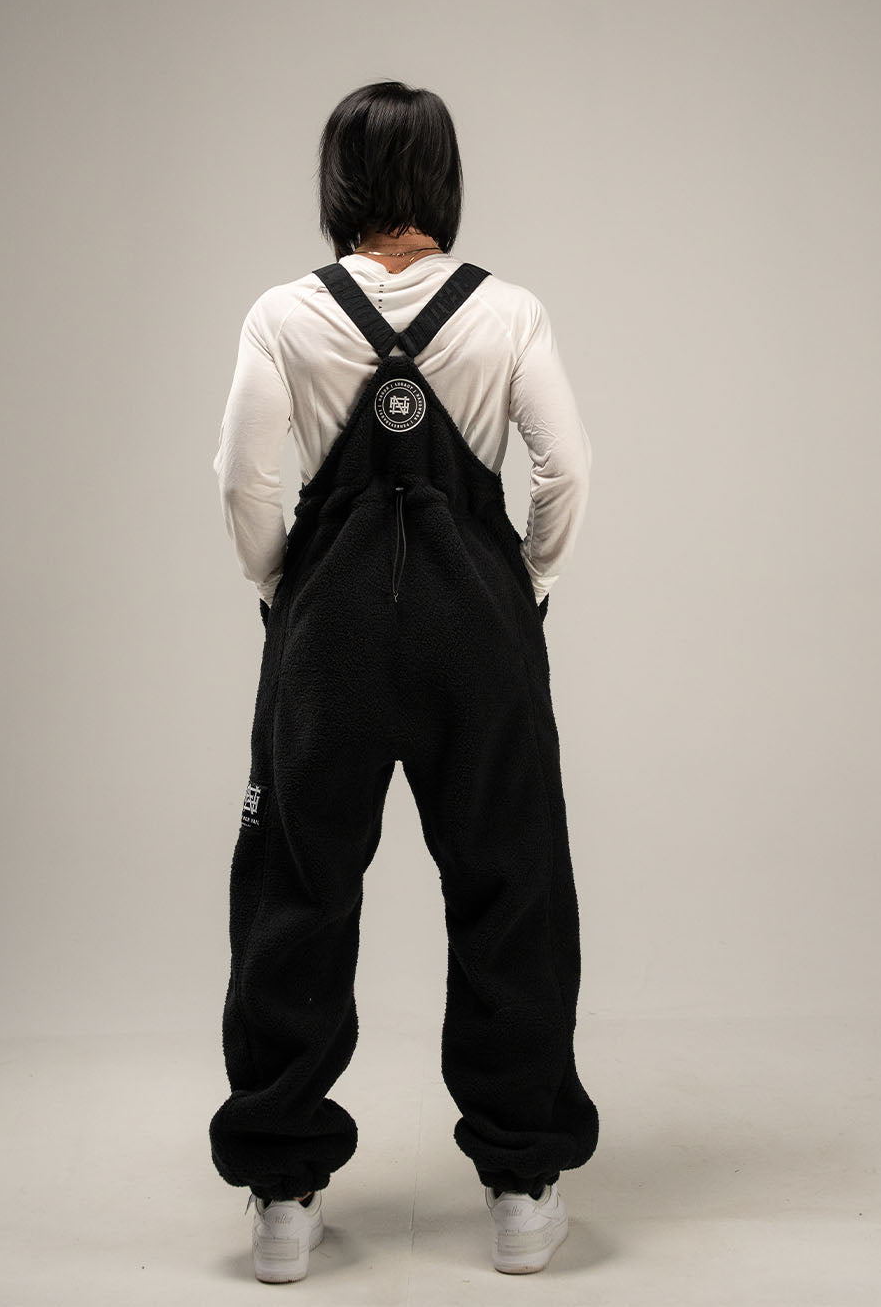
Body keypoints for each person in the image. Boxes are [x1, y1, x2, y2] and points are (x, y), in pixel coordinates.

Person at [208, 80, 599, 1282]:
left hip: (327, 634)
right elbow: (566, 471)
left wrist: (285, 594)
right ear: (444, 181)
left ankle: (283, 1201)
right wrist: (524, 586)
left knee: (297, 891)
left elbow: (243, 479)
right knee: (510, 888)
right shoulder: (509, 312)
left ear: (339, 183)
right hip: (479, 630)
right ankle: (523, 1192)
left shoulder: (284, 314)